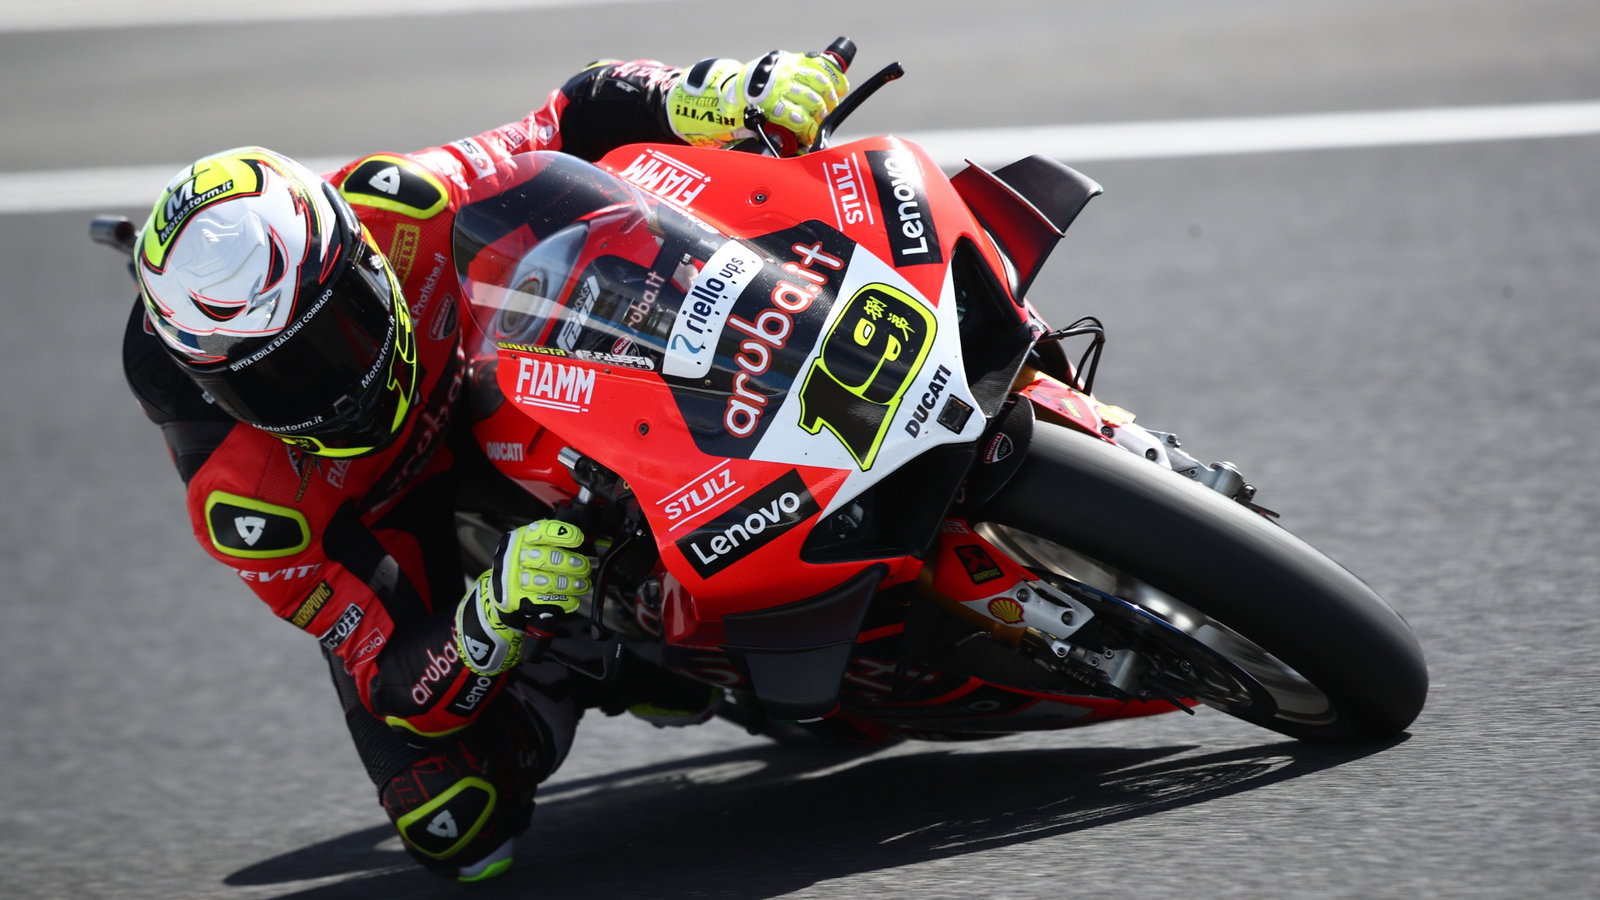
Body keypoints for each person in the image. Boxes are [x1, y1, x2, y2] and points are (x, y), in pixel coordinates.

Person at [120, 49, 847, 882]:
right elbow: (388, 674)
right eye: (271, 382)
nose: (331, 385)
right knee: (455, 826)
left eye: (340, 328)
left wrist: (709, 91)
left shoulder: (396, 203)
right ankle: (598, 659)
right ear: (213, 389)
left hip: (495, 381)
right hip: (398, 527)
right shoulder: (248, 505)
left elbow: (565, 124)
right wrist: (492, 613)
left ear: (360, 259)